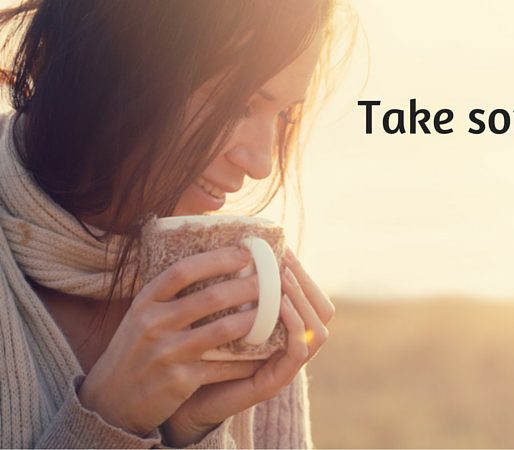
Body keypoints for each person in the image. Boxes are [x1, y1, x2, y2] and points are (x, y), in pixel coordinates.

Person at [0, 0, 349, 447]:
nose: (262, 164)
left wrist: (192, 431)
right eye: (240, 105)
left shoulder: (244, 307)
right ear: (122, 58)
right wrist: (111, 419)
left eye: (284, 115)